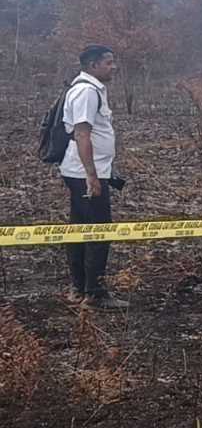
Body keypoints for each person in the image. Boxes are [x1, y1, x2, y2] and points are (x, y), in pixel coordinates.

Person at [60, 45, 128, 310]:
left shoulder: (92, 89)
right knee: (99, 230)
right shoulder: (86, 92)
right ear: (92, 65)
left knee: (81, 228)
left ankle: (79, 288)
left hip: (85, 171)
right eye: (108, 62)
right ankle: (94, 293)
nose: (114, 67)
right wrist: (92, 176)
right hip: (84, 173)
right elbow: (81, 134)